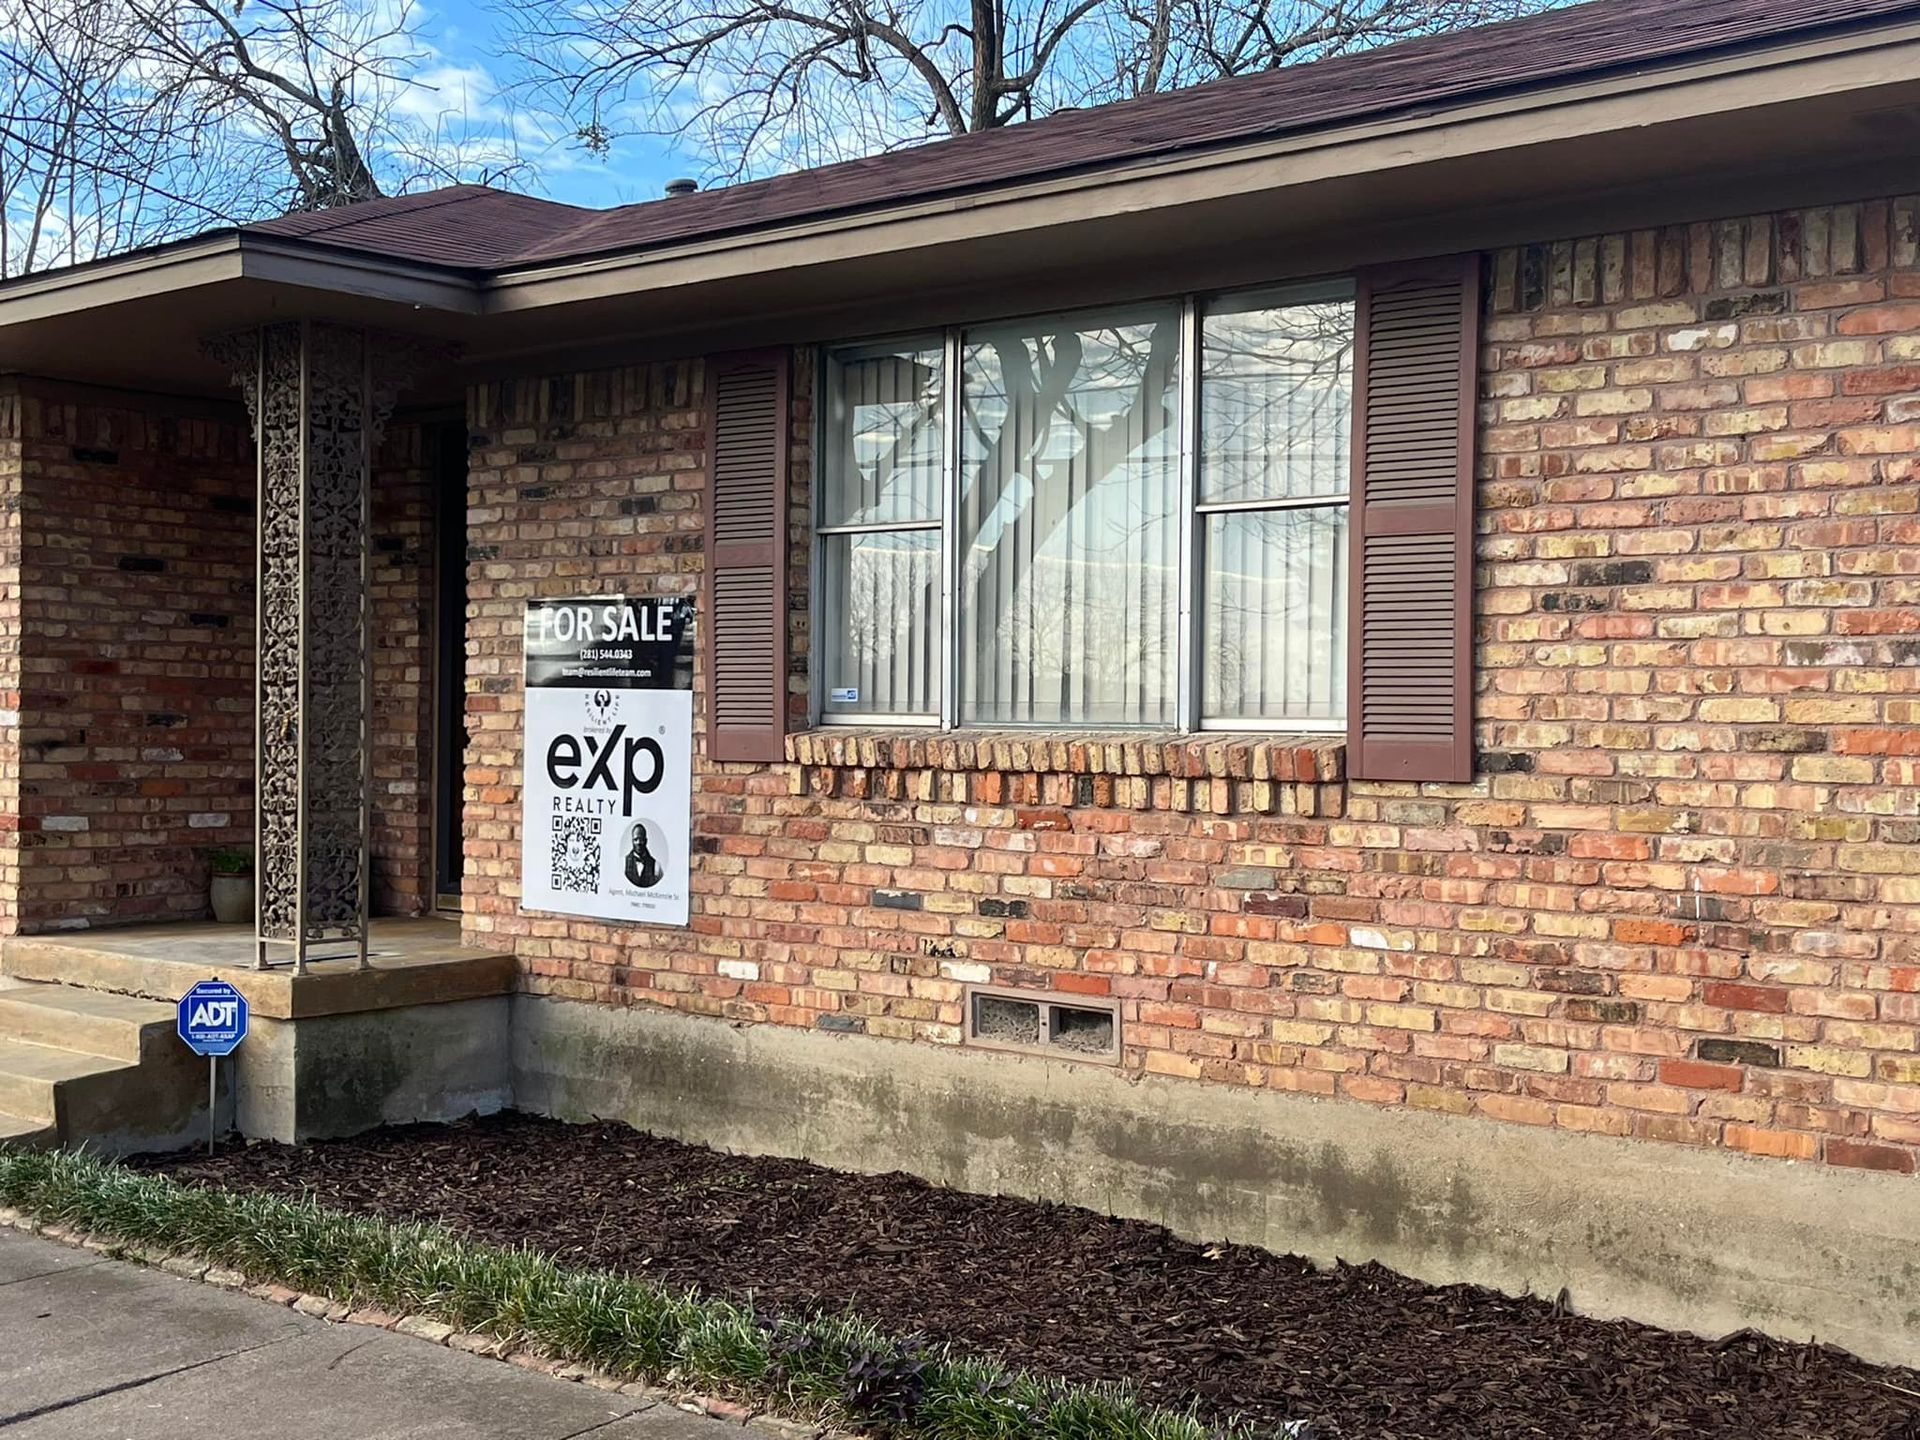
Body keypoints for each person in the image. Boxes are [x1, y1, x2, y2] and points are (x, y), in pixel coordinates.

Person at [624, 824, 662, 888]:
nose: (638, 842)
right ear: (632, 841)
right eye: (636, 839)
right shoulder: (624, 863)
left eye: (641, 839)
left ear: (646, 841)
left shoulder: (656, 865)